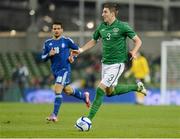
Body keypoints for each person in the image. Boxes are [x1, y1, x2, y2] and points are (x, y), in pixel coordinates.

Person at [71, 3, 147, 121]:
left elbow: (138, 41)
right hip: (105, 63)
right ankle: (136, 87)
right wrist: (80, 50)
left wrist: (133, 51)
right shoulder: (101, 27)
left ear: (112, 13)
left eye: (105, 12)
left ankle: (88, 119)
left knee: (100, 88)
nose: (102, 14)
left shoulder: (123, 26)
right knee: (110, 92)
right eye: (103, 12)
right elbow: (93, 41)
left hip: (117, 64)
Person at [41, 22, 90, 122]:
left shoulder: (67, 41)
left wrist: (72, 57)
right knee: (68, 90)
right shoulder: (47, 43)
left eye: (58, 28)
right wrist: (49, 55)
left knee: (57, 89)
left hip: (64, 70)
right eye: (54, 28)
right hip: (55, 71)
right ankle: (84, 97)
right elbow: (42, 58)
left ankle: (54, 115)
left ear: (62, 30)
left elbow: (78, 50)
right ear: (52, 30)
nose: (56, 30)